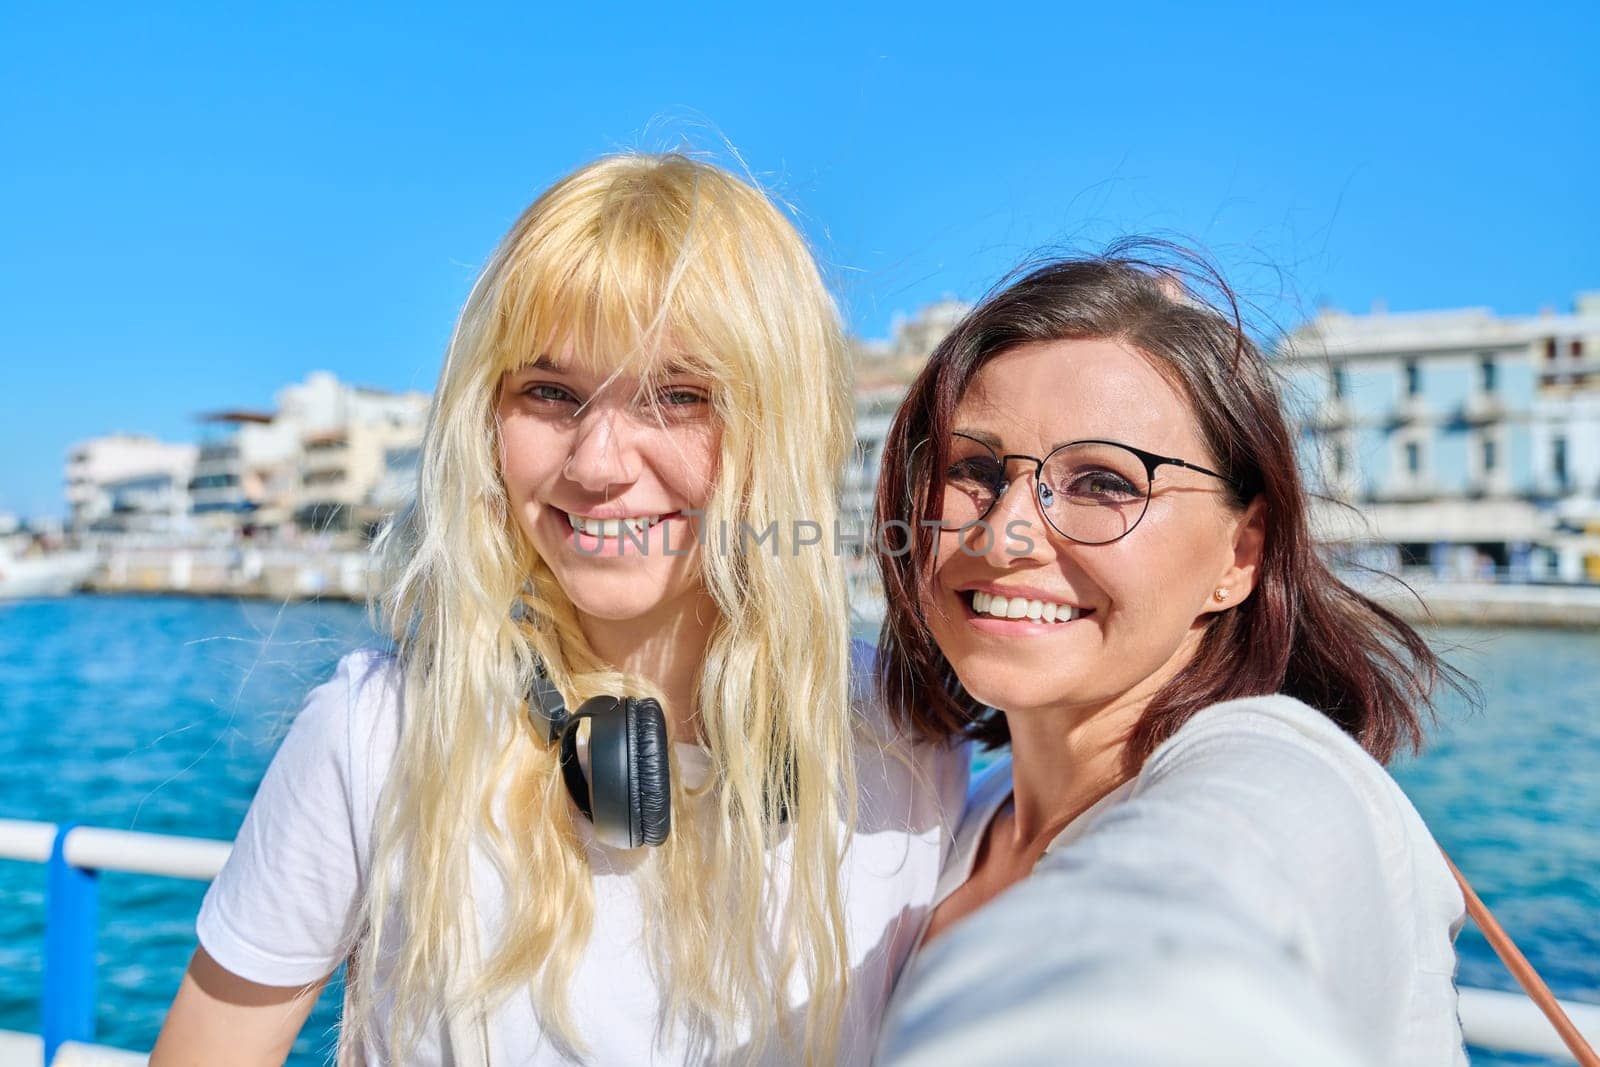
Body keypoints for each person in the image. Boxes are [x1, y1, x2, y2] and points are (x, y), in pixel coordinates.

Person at [152, 153, 966, 1065]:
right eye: (550, 392)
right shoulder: (376, 734)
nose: (597, 463)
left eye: (678, 395)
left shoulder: (907, 742)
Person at [869, 246, 1468, 1066]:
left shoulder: (1283, 772)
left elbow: (1186, 920)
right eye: (972, 469)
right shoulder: (970, 814)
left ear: (1240, 556)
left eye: (1105, 483)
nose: (1004, 535)